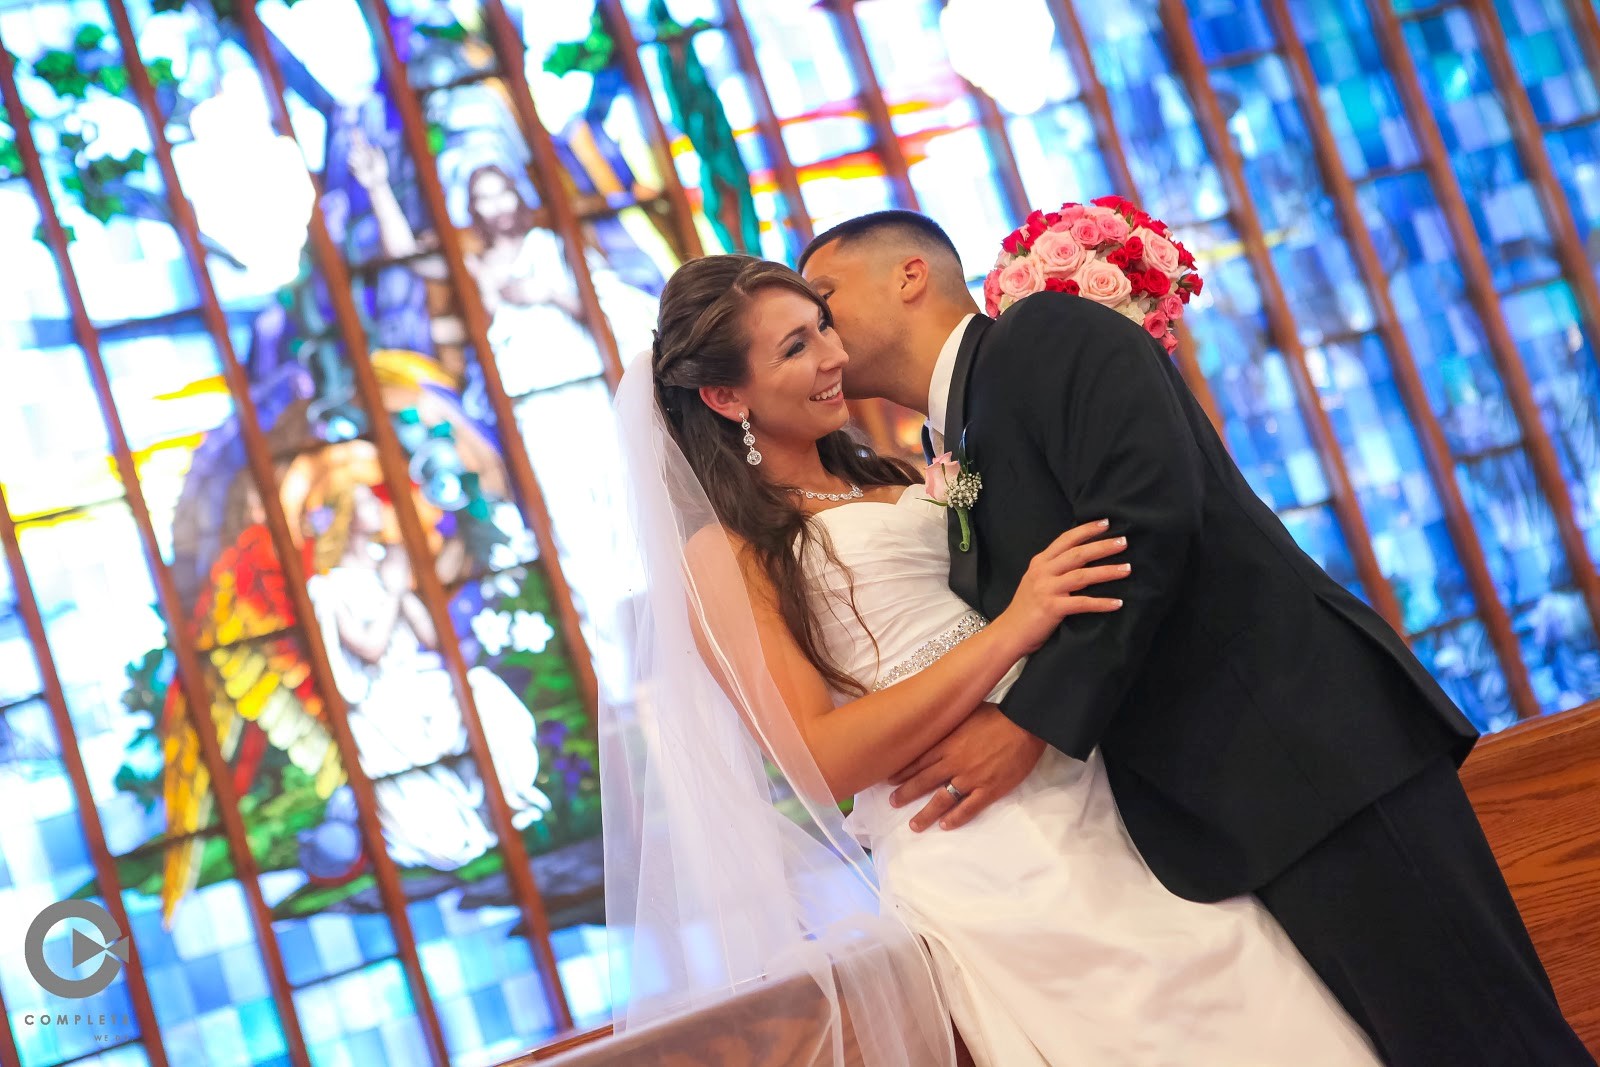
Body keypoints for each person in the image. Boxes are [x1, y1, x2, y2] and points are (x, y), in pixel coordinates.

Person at [797, 209, 1593, 1065]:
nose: (818, 326)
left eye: (825, 295)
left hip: (1310, 753)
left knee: (1488, 1042)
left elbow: (1147, 516)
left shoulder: (1044, 332)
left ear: (910, 275)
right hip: (1228, 800)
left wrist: (1027, 721)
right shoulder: (952, 438)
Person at [603, 253, 1382, 1066]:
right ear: (726, 397)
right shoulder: (725, 554)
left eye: (824, 325)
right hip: (980, 837)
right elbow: (817, 760)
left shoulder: (904, 473)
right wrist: (1012, 628)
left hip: (1095, 780)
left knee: (1262, 997)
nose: (834, 357)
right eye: (795, 347)